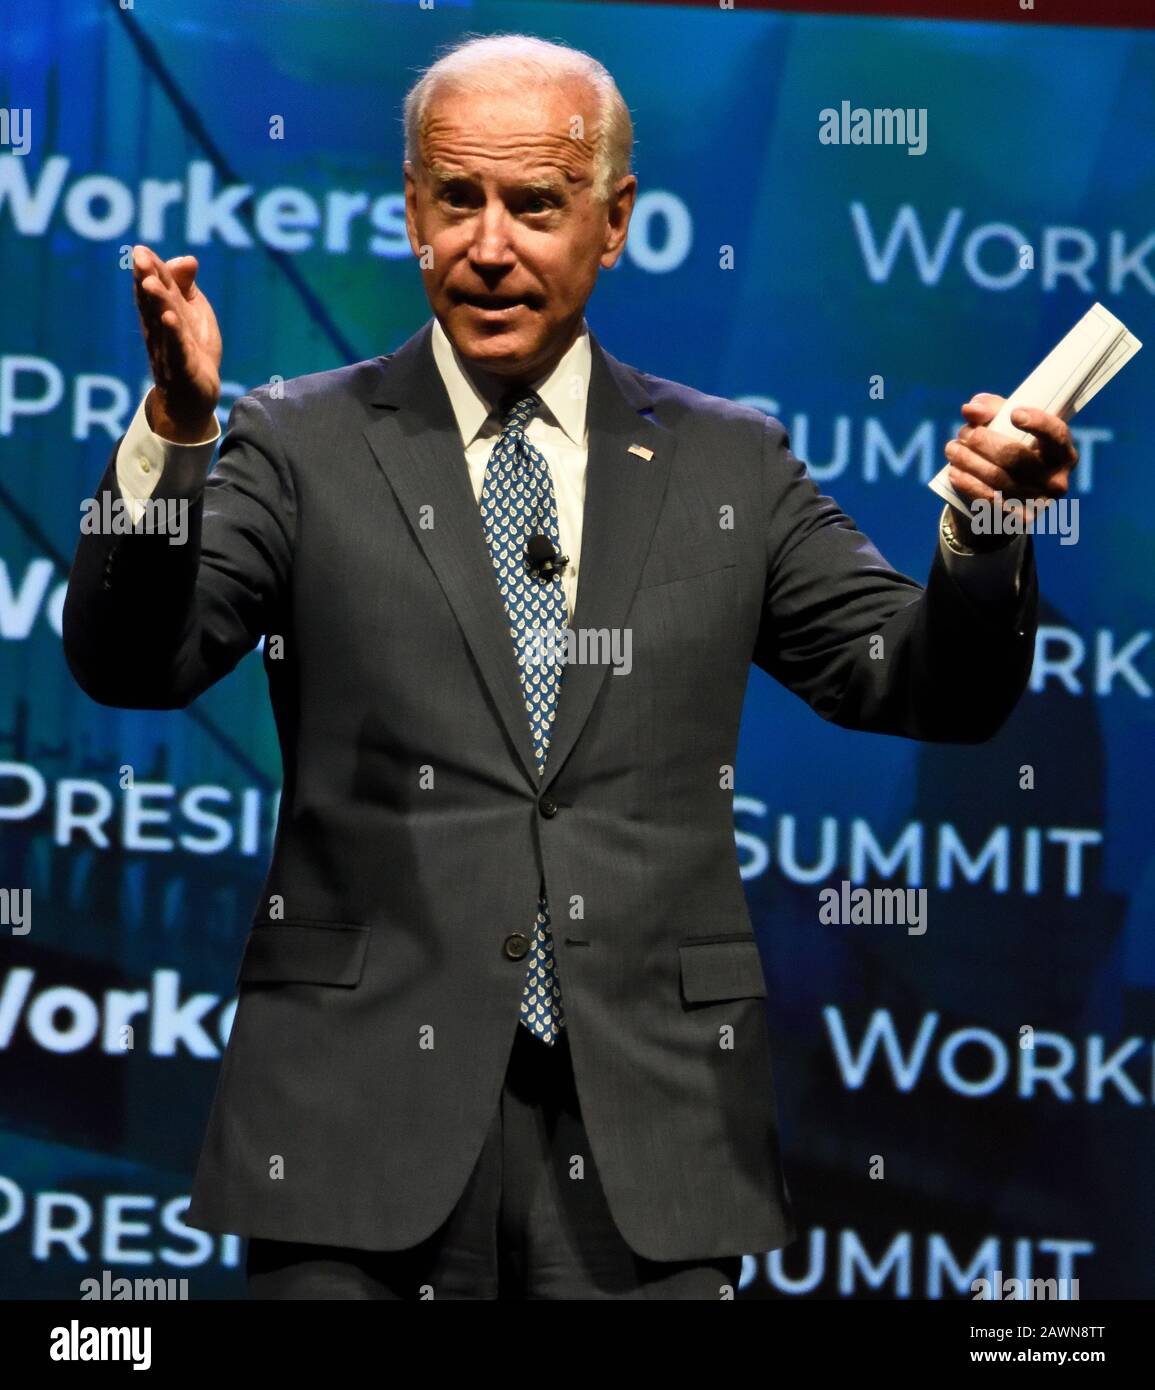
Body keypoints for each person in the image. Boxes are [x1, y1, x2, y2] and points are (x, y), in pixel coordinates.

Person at [63, 33, 1072, 1300]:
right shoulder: (290, 441)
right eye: (457, 201)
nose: (491, 245)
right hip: (354, 1127)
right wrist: (173, 432)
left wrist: (986, 531)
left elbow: (929, 685)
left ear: (615, 223)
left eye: (535, 205)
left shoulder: (731, 466)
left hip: (651, 1133)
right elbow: (128, 664)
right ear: (413, 214)